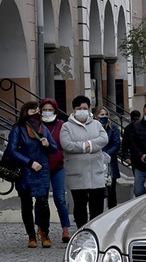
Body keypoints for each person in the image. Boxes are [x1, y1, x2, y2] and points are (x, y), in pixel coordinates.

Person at [7, 101, 58, 248]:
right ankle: (31, 235)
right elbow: (12, 150)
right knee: (27, 204)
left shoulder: (43, 128)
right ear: (25, 113)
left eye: (37, 110)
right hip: (25, 171)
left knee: (43, 203)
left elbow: (54, 149)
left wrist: (48, 144)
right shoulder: (18, 129)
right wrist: (29, 162)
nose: (36, 113)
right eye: (32, 111)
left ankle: (44, 233)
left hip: (42, 170)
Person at [60, 96, 109, 228]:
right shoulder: (66, 127)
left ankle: (95, 230)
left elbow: (104, 139)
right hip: (77, 172)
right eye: (79, 108)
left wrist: (90, 144)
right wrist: (83, 147)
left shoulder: (96, 124)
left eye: (85, 108)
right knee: (80, 204)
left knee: (97, 205)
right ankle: (81, 230)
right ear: (74, 110)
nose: (82, 111)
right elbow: (66, 144)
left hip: (96, 172)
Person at [40, 98, 72, 243]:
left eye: (50, 110)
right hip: (41, 167)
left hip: (58, 166)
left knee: (60, 198)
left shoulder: (61, 125)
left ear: (55, 110)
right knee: (41, 200)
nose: (47, 113)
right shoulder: (37, 125)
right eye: (44, 110)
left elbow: (65, 143)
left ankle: (65, 230)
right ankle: (40, 228)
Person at [94, 106, 121, 209]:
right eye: (102, 114)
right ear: (96, 116)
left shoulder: (112, 127)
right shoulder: (93, 127)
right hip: (96, 161)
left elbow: (116, 144)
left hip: (110, 161)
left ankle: (111, 210)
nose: (104, 117)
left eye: (106, 114)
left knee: (111, 190)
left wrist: (106, 155)